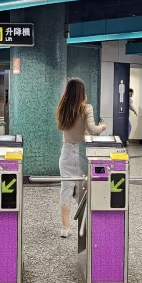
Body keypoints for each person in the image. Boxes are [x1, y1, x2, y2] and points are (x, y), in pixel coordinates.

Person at [57, 78, 106, 237]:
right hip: (81, 152)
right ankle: (84, 226)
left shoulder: (63, 107)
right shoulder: (86, 108)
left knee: (66, 189)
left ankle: (65, 228)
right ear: (81, 92)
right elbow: (93, 129)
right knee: (85, 189)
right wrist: (103, 126)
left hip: (65, 152)